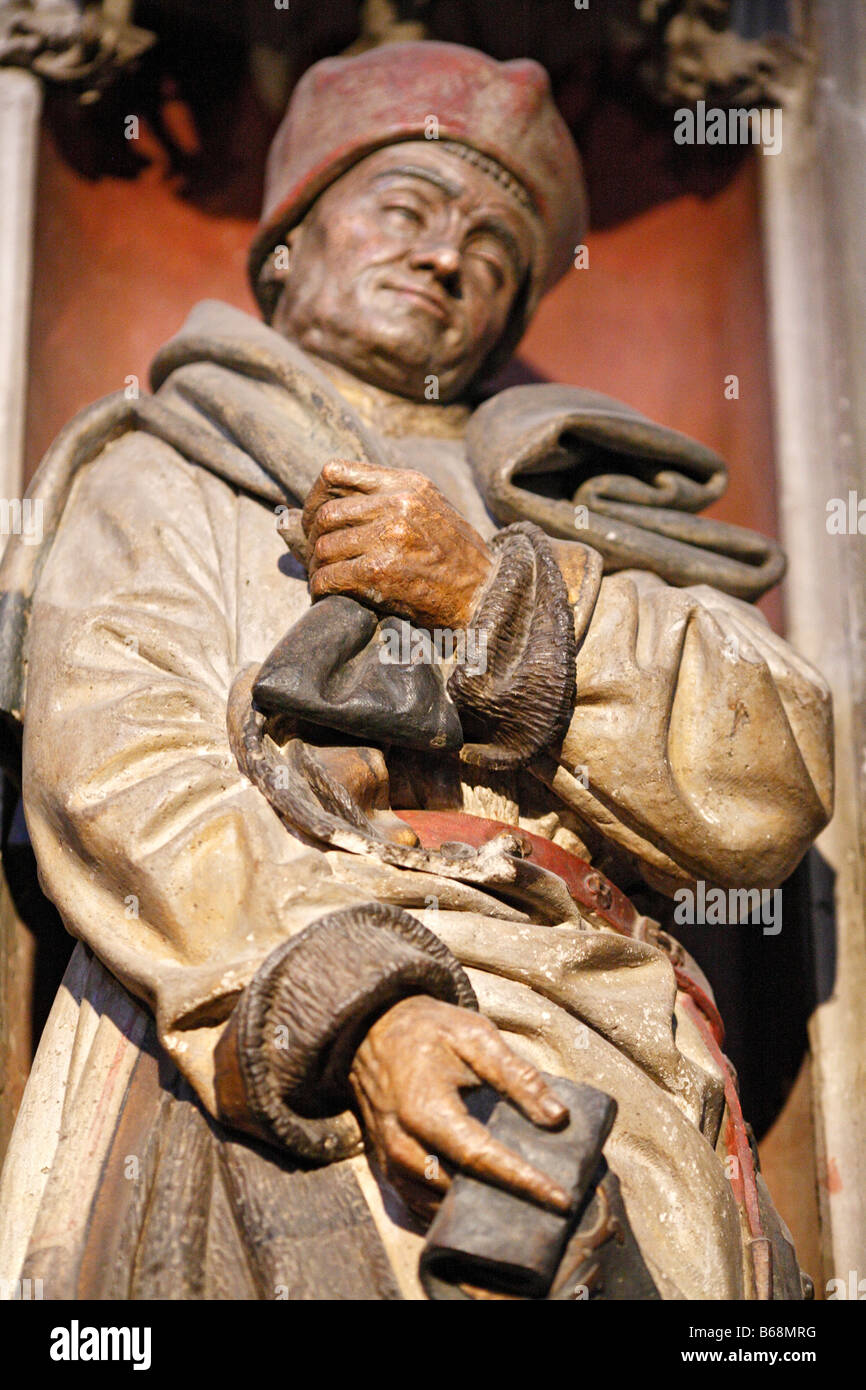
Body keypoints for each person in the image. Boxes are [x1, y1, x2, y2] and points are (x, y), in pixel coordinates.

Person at [0, 41, 832, 1301]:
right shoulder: (160, 473)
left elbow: (774, 769)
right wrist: (364, 1008)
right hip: (265, 1001)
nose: (447, 257)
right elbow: (118, 768)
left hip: (608, 1039)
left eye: (493, 251)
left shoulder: (585, 510)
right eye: (405, 210)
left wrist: (489, 598)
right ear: (290, 243)